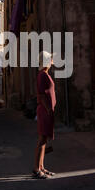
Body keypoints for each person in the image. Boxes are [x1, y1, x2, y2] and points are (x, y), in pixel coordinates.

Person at [33, 51, 56, 179]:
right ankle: (36, 169)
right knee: (41, 140)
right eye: (50, 58)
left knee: (44, 140)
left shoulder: (45, 74)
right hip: (44, 111)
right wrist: (48, 109)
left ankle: (41, 167)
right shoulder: (42, 75)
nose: (52, 60)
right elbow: (41, 95)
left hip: (47, 111)